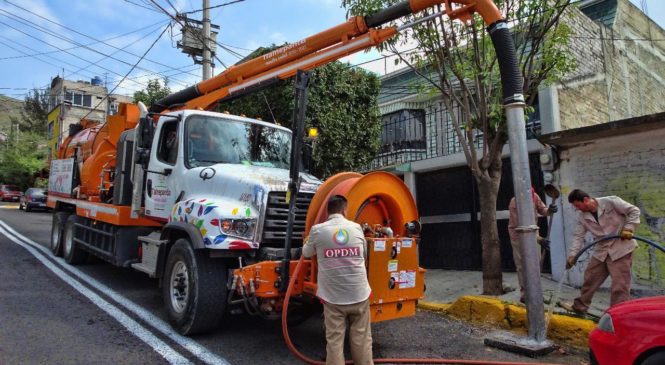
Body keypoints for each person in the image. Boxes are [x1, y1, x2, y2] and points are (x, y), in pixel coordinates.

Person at [302, 195, 373, 365]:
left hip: (333, 298)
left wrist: (307, 241)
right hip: (359, 294)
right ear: (344, 210)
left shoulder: (318, 230)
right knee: (362, 339)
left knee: (334, 342)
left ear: (328, 212)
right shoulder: (356, 228)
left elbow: (306, 253)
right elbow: (363, 255)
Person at [565, 189, 641, 313]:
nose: (577, 209)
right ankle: (580, 307)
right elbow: (578, 236)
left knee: (619, 286)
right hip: (601, 250)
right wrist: (573, 255)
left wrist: (629, 227)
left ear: (585, 200)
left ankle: (617, 314)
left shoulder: (611, 202)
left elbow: (634, 210)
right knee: (590, 279)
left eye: (577, 205)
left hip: (620, 248)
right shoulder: (582, 217)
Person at [508, 187, 557, 303]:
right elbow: (521, 228)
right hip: (518, 236)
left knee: (535, 264)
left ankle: (536, 292)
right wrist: (539, 239)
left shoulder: (534, 196)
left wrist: (549, 210)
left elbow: (542, 210)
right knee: (522, 266)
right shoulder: (514, 203)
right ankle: (525, 294)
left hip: (534, 232)